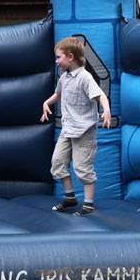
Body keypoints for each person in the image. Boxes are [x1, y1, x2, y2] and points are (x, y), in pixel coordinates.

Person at [40, 37, 112, 215]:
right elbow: (58, 94)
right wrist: (46, 102)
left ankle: (88, 204)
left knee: (82, 168)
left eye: (59, 57)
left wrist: (106, 110)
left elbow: (100, 95)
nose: (56, 61)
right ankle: (70, 197)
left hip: (84, 130)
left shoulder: (85, 77)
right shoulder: (64, 78)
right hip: (68, 129)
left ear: (70, 57)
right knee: (57, 163)